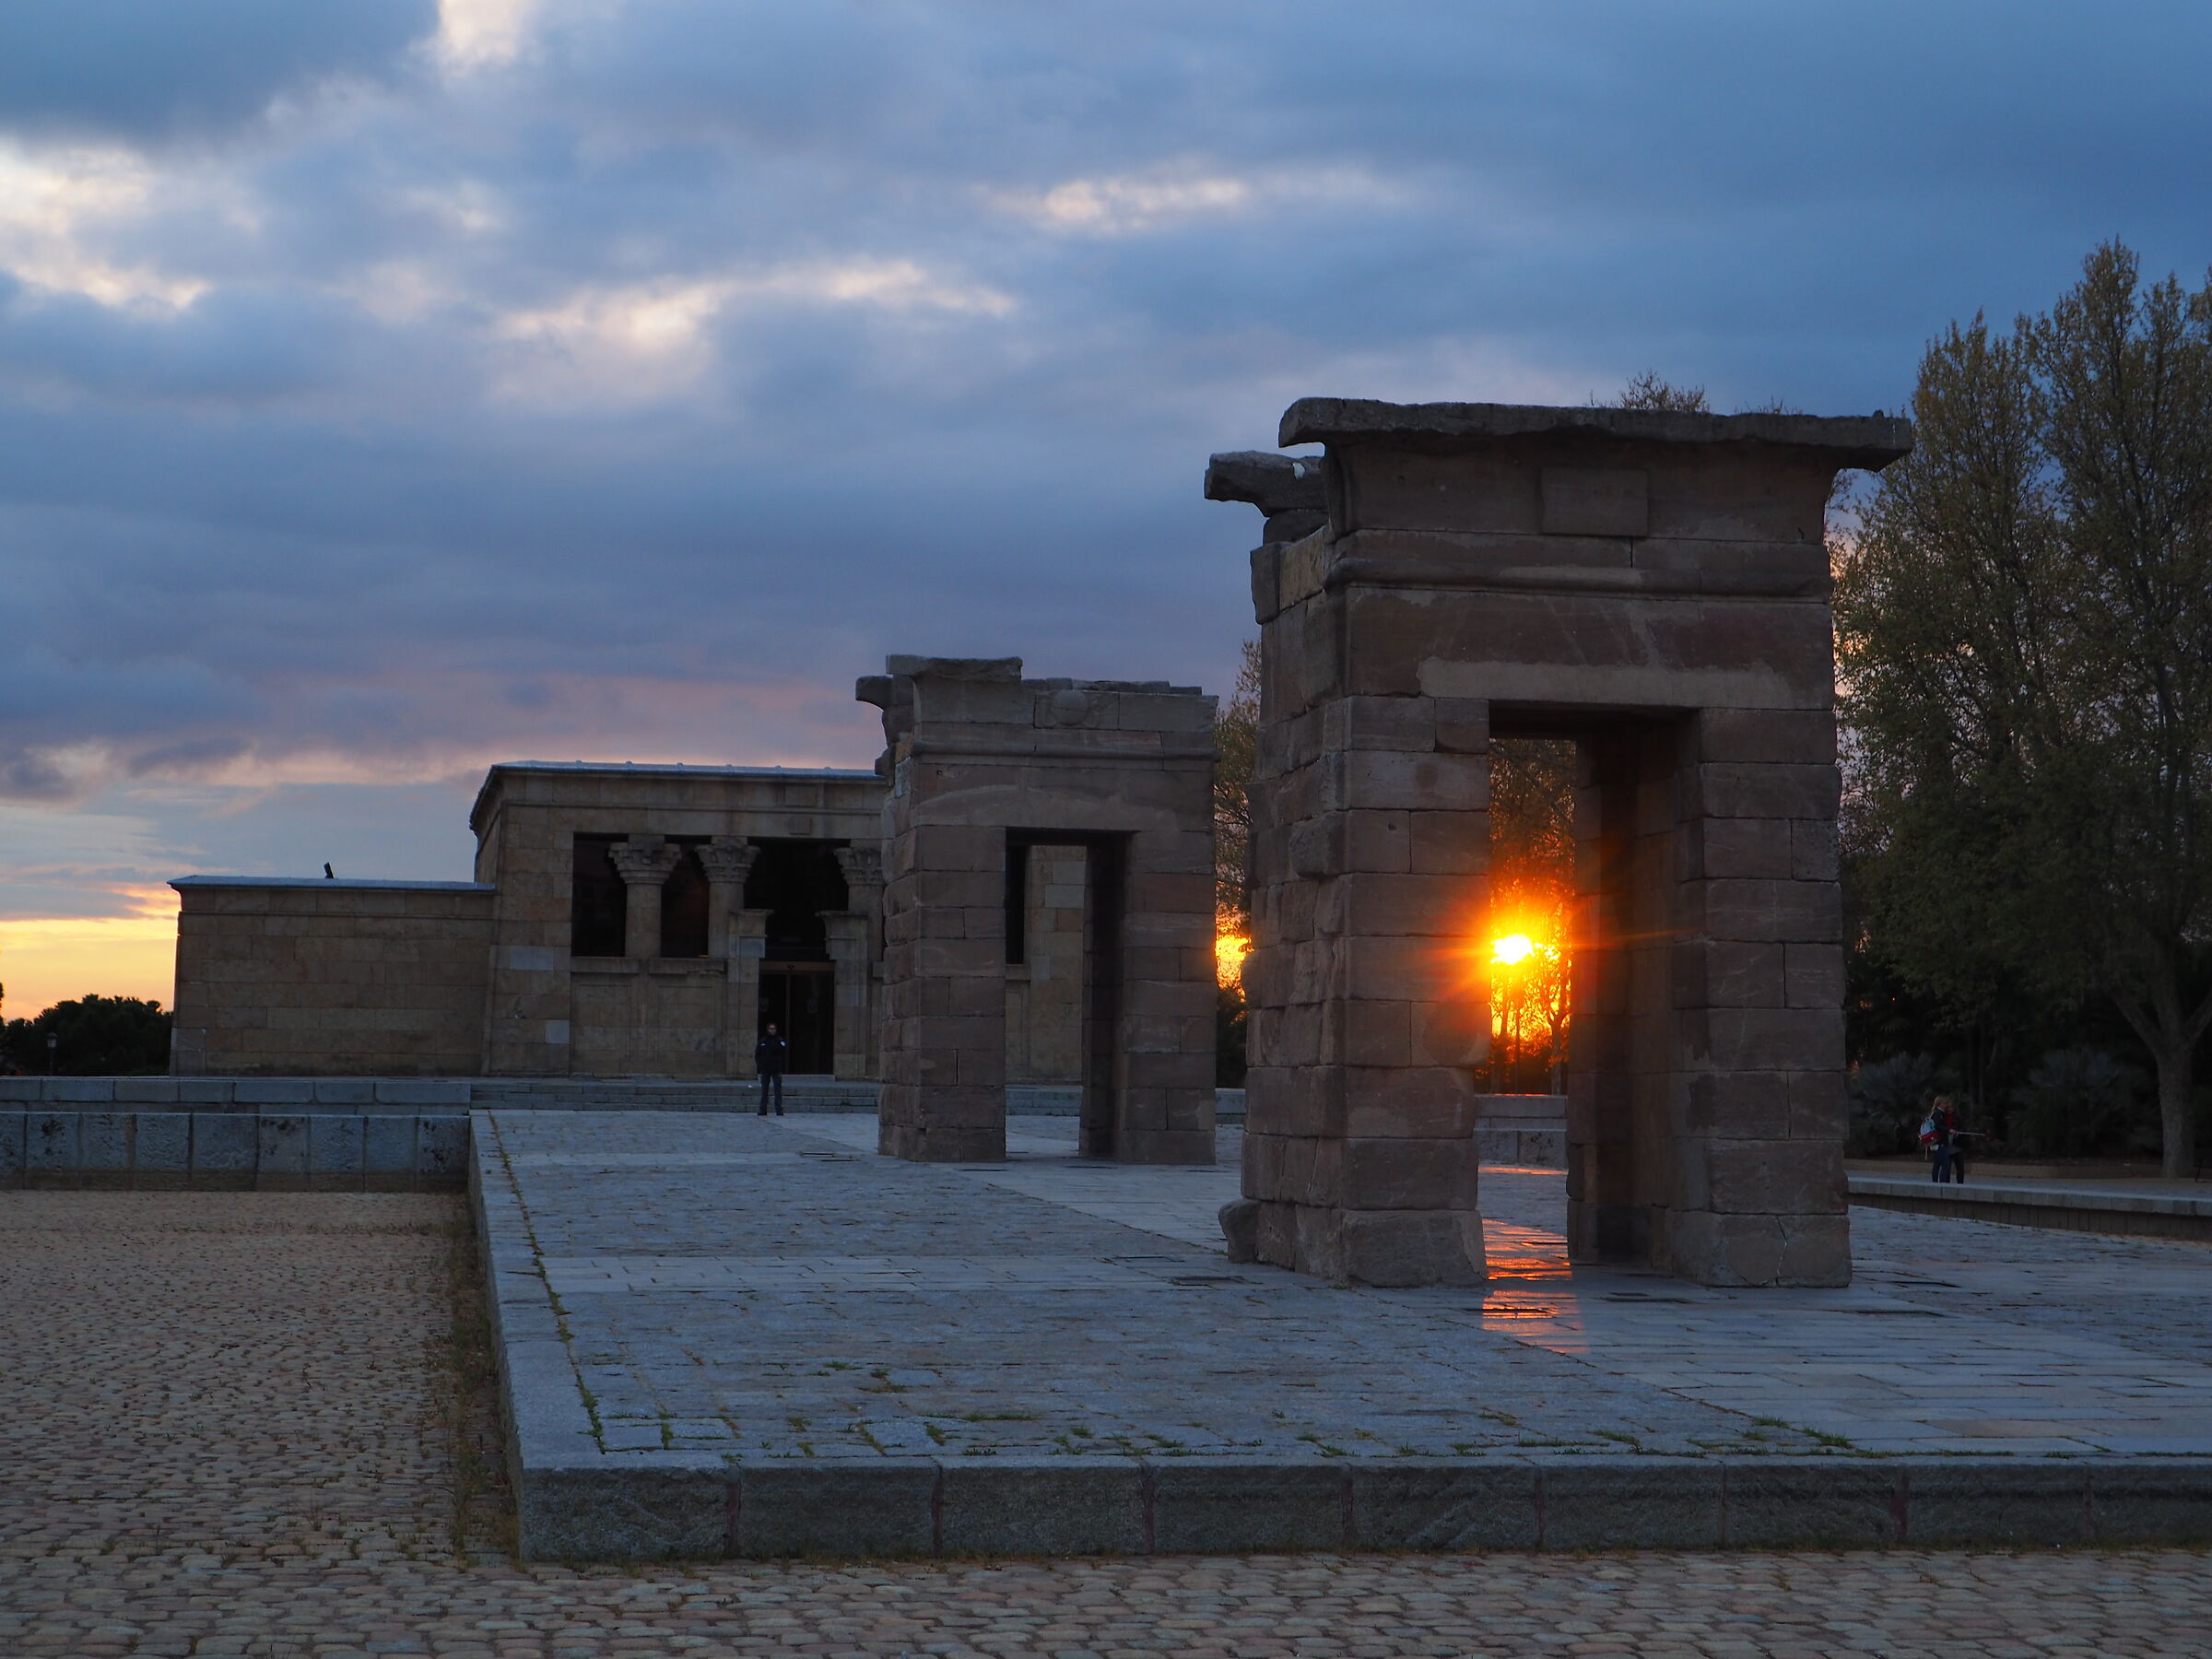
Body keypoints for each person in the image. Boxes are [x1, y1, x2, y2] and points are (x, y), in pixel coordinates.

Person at [1923, 1095, 1959, 1184]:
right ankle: (1942, 1183)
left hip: (1935, 1142)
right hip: (1939, 1142)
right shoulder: (1938, 1114)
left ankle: (1935, 1183)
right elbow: (1938, 1126)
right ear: (1939, 1104)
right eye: (1944, 1103)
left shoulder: (1935, 1113)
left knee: (1937, 1164)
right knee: (1945, 1164)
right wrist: (1948, 1130)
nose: (1946, 1105)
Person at [754, 1021, 788, 1117]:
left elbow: (783, 1053)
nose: (772, 1030)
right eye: (770, 1029)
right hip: (765, 1069)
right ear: (768, 1030)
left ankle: (779, 1110)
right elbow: (757, 1054)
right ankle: (763, 1110)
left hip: (776, 1069)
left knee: (778, 1090)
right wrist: (760, 1065)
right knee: (764, 1090)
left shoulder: (780, 1041)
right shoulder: (763, 1041)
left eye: (774, 1029)